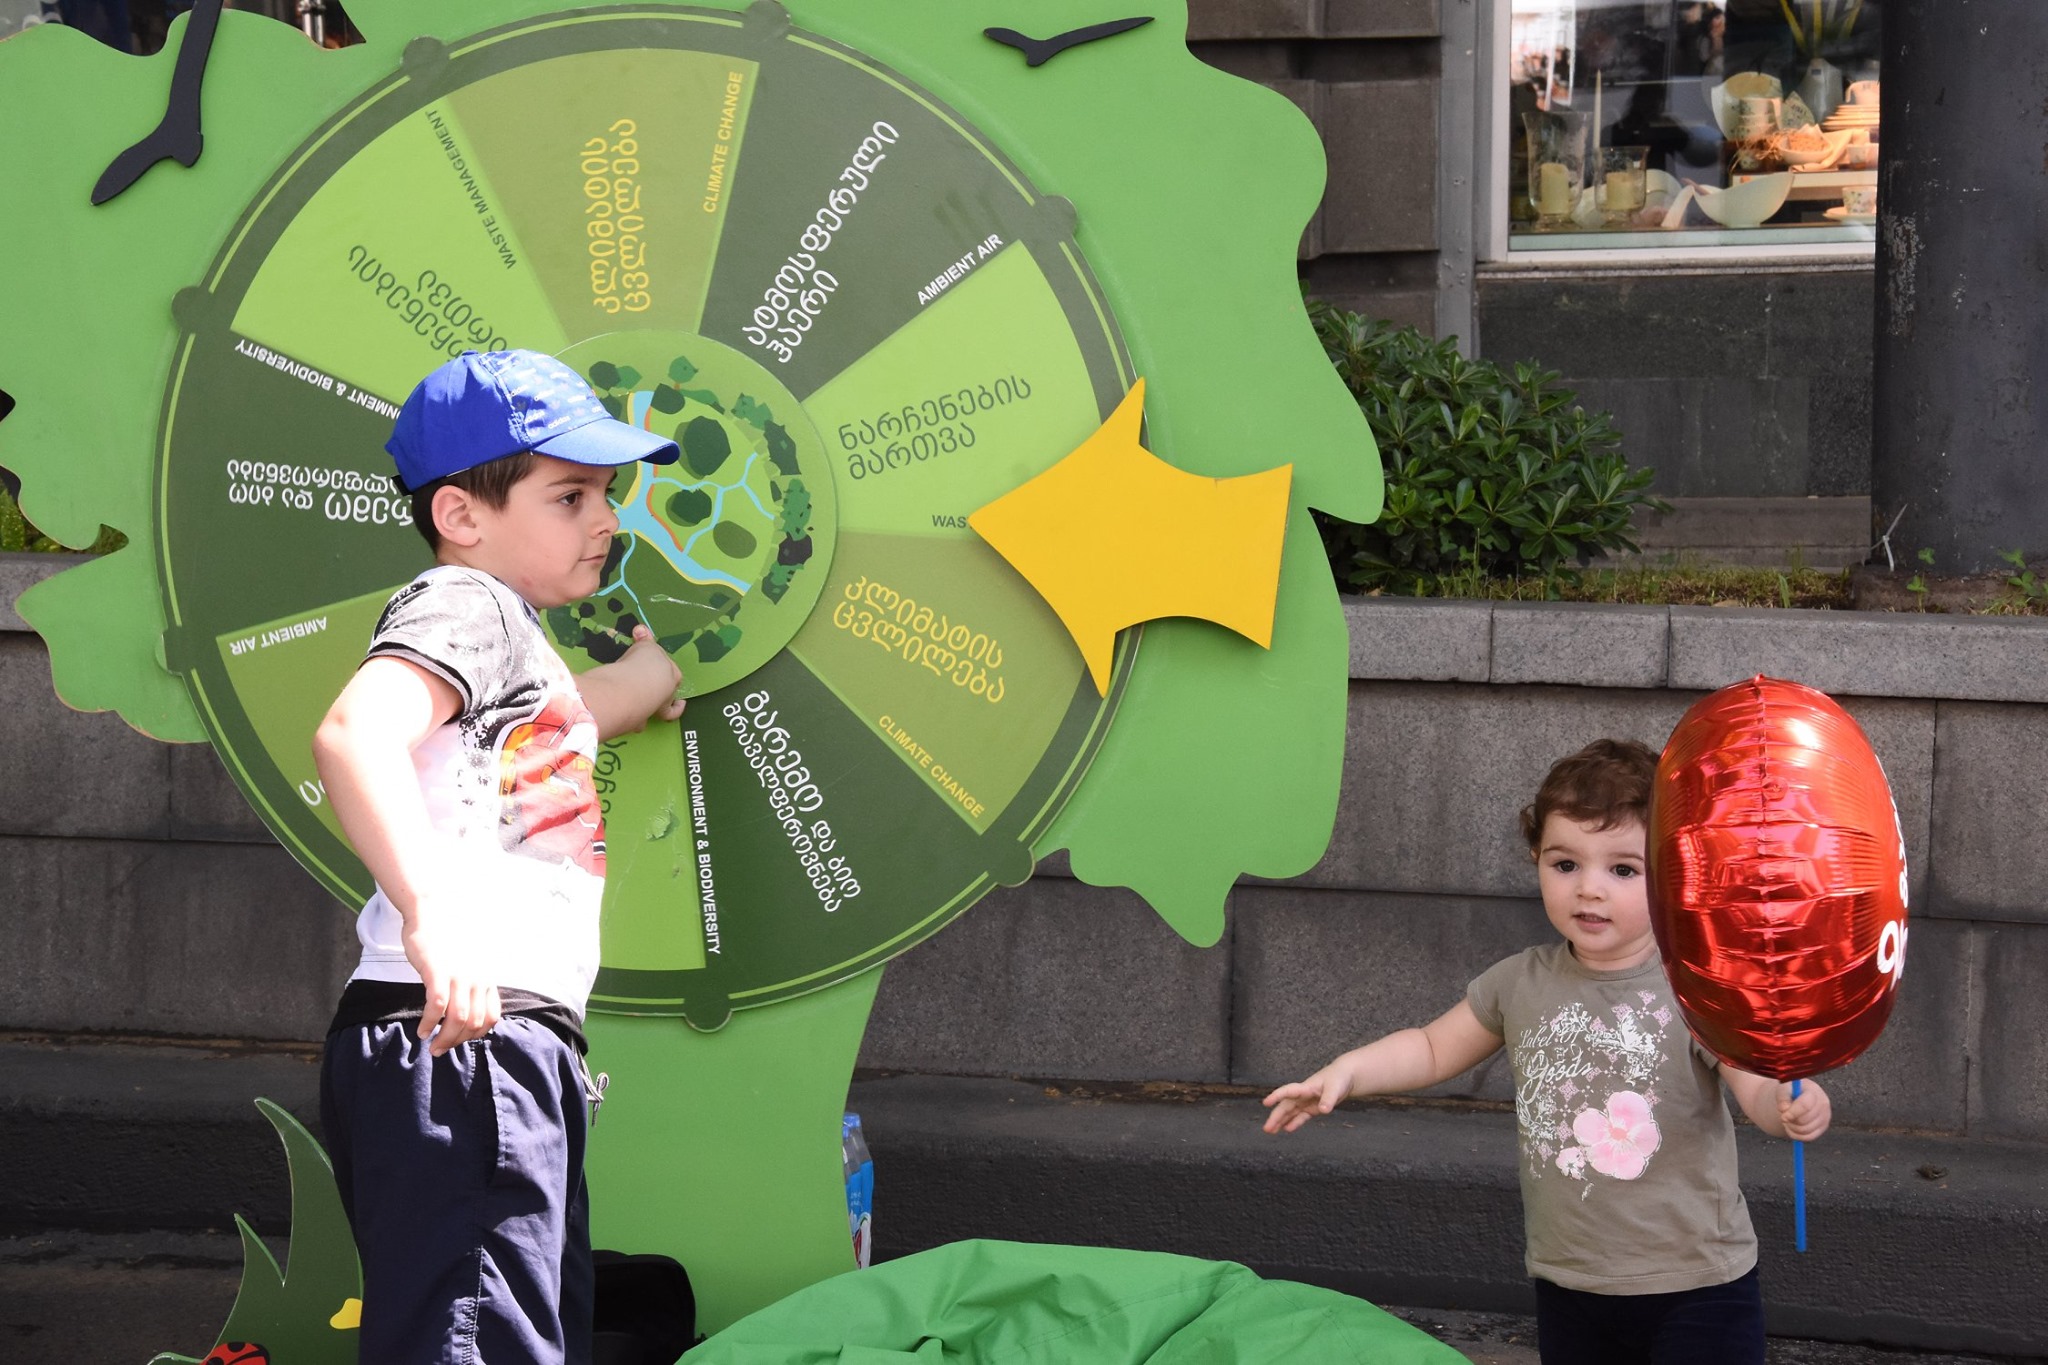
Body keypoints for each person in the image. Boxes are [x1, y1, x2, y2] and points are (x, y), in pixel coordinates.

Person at [314, 348, 688, 1365]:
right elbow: (354, 734)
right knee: (477, 1341)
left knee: (512, 1332)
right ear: (461, 515)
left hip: (491, 1037)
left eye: (605, 494)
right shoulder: (463, 603)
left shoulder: (510, 642)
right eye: (570, 496)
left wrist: (648, 675)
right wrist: (434, 915)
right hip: (464, 1033)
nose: (605, 521)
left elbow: (578, 713)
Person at [1261, 739, 1832, 1365]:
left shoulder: (1697, 988)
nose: (1589, 889)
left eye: (1623, 870)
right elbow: (1430, 1047)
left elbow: (1755, 1084)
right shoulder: (1519, 982)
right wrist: (1347, 1072)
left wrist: (1788, 1107)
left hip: (1698, 1286)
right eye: (1565, 864)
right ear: (1537, 858)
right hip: (1570, 1283)